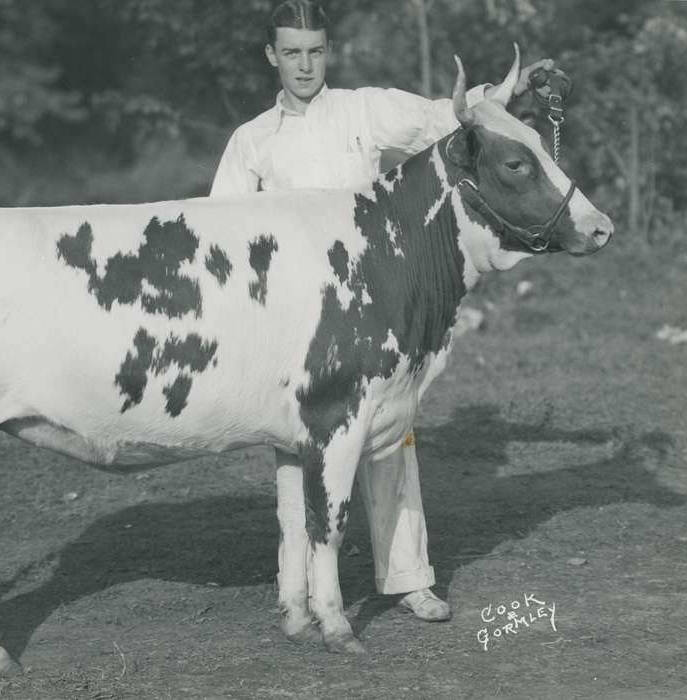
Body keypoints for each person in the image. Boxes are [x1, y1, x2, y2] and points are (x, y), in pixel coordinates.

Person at [210, 0, 557, 623]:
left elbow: (439, 120)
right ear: (272, 56)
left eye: (315, 51)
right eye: (291, 52)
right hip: (293, 325)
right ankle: (294, 587)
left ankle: (409, 578)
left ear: (328, 52)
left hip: (377, 314)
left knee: (391, 439)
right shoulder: (251, 141)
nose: (304, 65)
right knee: (295, 456)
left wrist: (510, 88)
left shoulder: (362, 109)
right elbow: (220, 232)